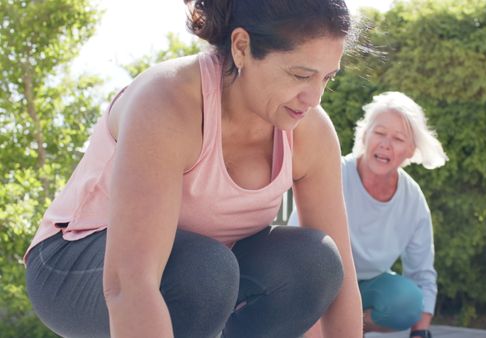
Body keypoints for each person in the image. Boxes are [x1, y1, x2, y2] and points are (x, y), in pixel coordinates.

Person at [24, 0, 362, 337]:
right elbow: (129, 284)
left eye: (327, 78)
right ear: (242, 47)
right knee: (205, 271)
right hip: (74, 265)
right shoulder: (167, 102)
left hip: (205, 269)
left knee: (314, 263)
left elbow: (343, 282)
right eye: (301, 75)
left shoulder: (310, 130)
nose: (315, 97)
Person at [289, 91, 448, 338]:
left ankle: (349, 326)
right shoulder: (333, 173)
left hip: (369, 288)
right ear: (364, 135)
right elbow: (298, 248)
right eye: (380, 133)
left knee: (408, 300)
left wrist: (420, 333)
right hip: (318, 282)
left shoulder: (413, 199)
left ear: (410, 150)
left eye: (397, 138)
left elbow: (422, 273)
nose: (385, 143)